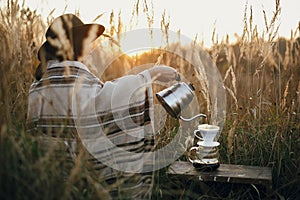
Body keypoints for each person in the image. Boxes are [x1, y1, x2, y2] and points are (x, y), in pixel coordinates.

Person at [26, 14, 179, 199]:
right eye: (88, 42)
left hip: (48, 184)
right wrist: (147, 77)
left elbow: (92, 102)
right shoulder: (73, 80)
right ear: (75, 44)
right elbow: (104, 103)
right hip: (81, 187)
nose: (91, 48)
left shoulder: (38, 85)